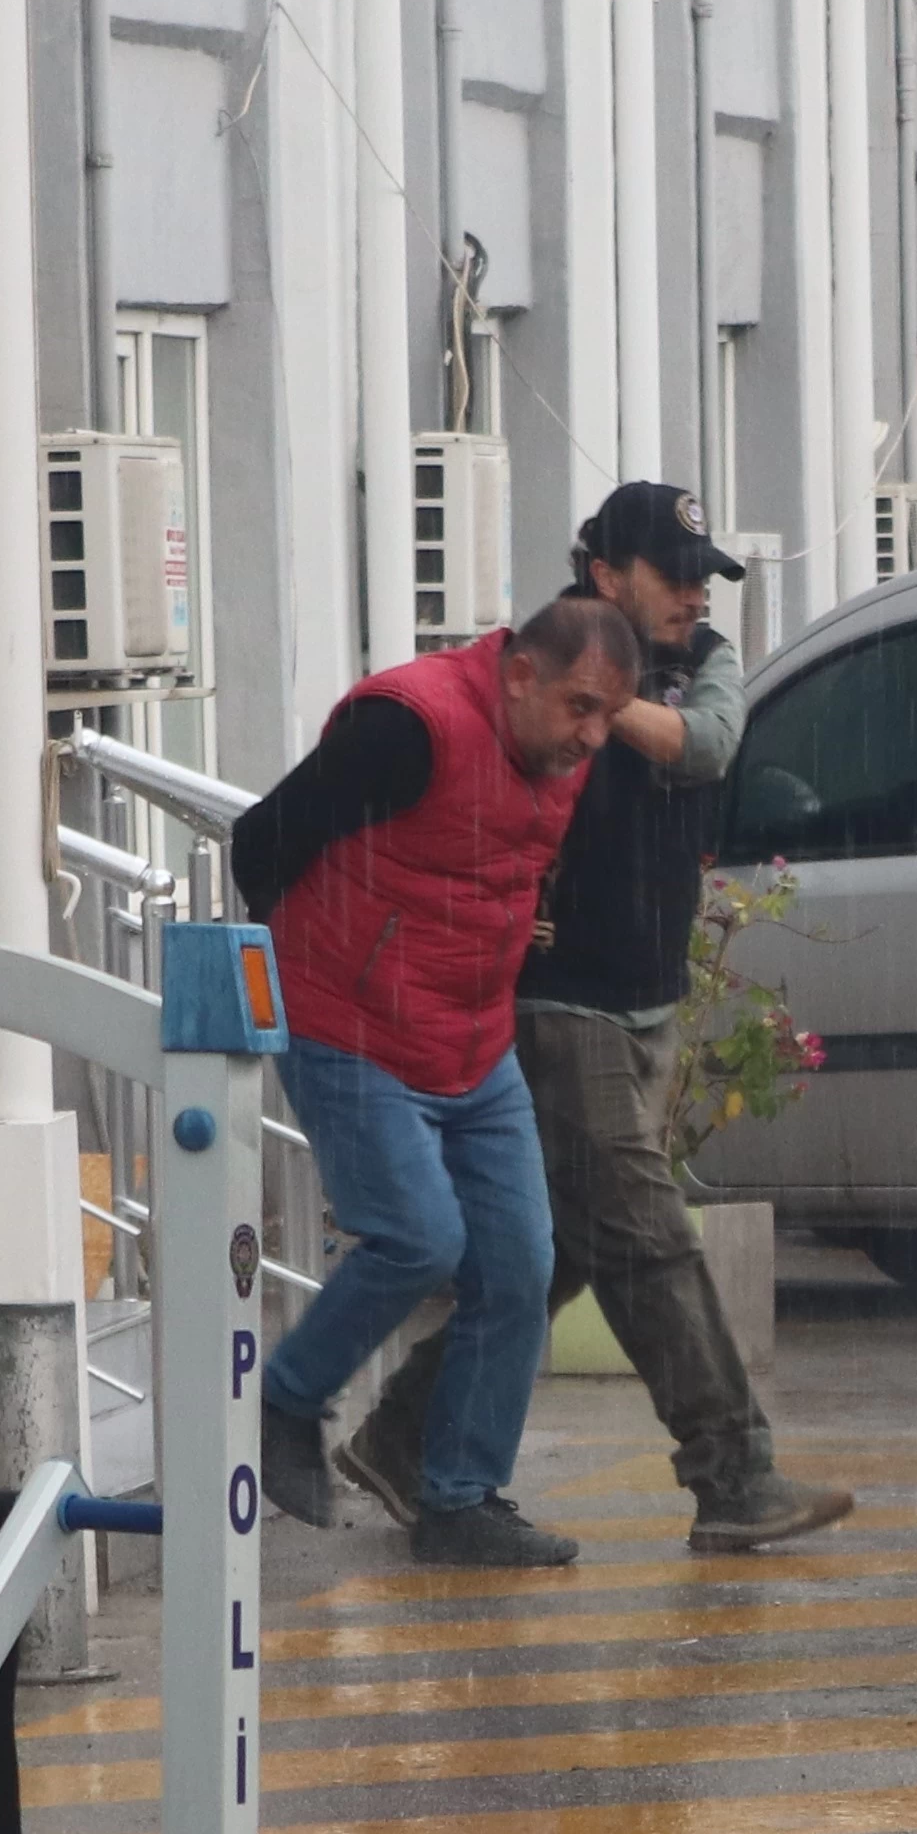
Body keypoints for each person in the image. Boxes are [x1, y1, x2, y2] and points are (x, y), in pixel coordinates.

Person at [348, 482, 855, 1554]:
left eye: (700, 577)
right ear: (603, 572)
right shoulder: (533, 673)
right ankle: (732, 1474)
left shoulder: (681, 664)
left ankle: (399, 1436)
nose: (689, 596)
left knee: (568, 1248)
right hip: (555, 1001)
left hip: (647, 1002)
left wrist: (600, 693)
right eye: (669, 575)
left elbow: (710, 743)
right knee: (645, 1239)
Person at [228, 597, 650, 1568]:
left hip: (471, 1040)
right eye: (579, 707)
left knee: (517, 1266)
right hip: (349, 1024)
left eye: (607, 718)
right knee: (419, 1236)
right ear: (519, 675)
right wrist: (318, 964)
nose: (592, 737)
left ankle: (460, 1501)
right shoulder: (408, 728)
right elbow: (264, 839)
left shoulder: (562, 753)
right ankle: (284, 1404)